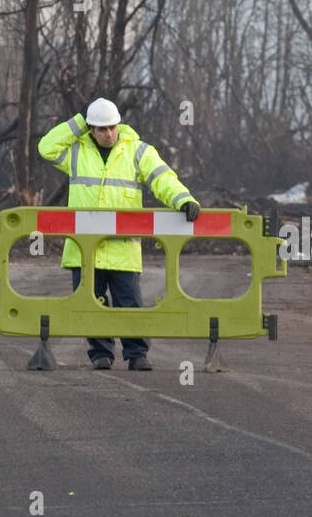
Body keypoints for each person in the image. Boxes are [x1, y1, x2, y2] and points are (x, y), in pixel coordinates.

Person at [37, 98, 200, 371]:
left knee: (130, 303)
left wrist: (183, 199)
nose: (109, 134)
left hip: (122, 248)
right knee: (91, 303)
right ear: (90, 130)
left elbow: (163, 178)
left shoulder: (137, 151)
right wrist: (78, 122)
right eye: (101, 129)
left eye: (112, 127)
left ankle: (137, 354)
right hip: (84, 248)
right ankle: (101, 353)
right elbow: (46, 148)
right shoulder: (77, 152)